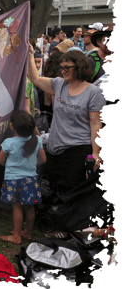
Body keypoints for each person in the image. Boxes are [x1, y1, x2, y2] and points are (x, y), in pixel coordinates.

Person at [28, 44, 106, 194]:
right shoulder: (58, 85)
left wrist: (96, 154)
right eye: (61, 68)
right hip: (55, 150)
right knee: (54, 191)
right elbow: (35, 78)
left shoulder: (93, 93)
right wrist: (30, 54)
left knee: (72, 194)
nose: (63, 71)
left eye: (66, 68)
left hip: (78, 152)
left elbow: (96, 124)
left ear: (79, 67)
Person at [0, 111, 46, 244]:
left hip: (13, 180)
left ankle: (16, 236)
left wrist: (10, 165)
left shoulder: (9, 142)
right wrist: (30, 165)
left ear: (12, 126)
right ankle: (27, 232)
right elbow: (43, 159)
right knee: (30, 207)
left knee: (17, 206)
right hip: (31, 179)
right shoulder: (37, 140)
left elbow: (0, 161)